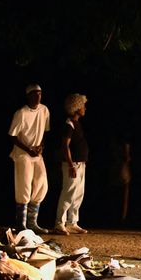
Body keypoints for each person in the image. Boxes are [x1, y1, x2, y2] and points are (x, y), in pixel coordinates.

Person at [8, 84, 50, 232]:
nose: (38, 96)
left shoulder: (44, 110)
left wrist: (41, 146)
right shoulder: (21, 113)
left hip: (37, 154)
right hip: (22, 153)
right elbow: (12, 136)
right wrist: (28, 149)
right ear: (29, 96)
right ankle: (21, 224)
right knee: (24, 186)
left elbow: (45, 131)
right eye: (35, 93)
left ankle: (32, 223)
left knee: (41, 184)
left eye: (40, 93)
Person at [54, 93, 89, 235]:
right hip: (72, 164)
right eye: (83, 105)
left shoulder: (76, 123)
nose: (85, 108)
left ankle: (72, 222)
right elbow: (65, 145)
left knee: (78, 193)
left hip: (80, 163)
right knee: (68, 193)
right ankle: (59, 223)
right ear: (76, 107)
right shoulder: (69, 124)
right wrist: (70, 165)